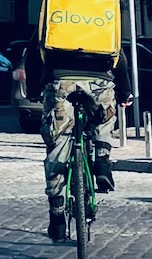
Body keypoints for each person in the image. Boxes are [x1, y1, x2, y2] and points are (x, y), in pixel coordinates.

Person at [38, 43, 131, 241]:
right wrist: (125, 91)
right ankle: (102, 160)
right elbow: (118, 54)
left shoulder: (54, 14)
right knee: (103, 120)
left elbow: (35, 54)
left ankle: (57, 215)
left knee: (58, 141)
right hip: (99, 80)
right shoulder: (102, 14)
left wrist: (33, 88)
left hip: (60, 80)